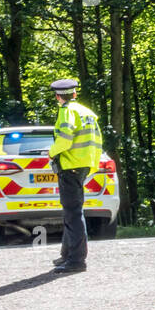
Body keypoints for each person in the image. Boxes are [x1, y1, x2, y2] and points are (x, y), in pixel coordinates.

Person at [48, 79, 103, 273]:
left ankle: (76, 261)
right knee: (72, 211)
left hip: (70, 165)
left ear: (57, 96)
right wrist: (91, 166)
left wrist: (52, 152)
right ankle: (67, 254)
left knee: (73, 213)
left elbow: (65, 138)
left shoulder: (67, 111)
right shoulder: (87, 112)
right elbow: (98, 141)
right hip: (83, 165)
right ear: (74, 94)